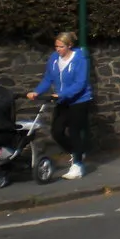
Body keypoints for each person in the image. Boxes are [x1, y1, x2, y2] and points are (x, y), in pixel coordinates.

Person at [27, 31, 93, 180]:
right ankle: (77, 152)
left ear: (70, 45)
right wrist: (36, 92)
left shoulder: (80, 59)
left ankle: (77, 166)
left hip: (80, 100)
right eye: (56, 46)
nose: (58, 49)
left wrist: (63, 94)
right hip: (63, 101)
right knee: (56, 132)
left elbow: (80, 83)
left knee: (74, 131)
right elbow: (48, 78)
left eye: (61, 47)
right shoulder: (54, 59)